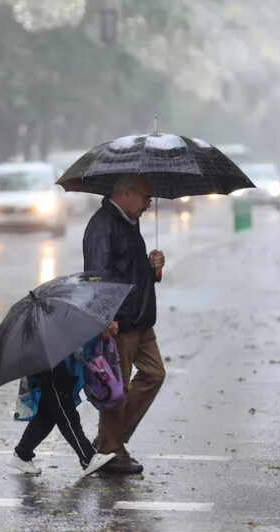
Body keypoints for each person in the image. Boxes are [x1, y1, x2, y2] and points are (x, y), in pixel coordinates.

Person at [82, 174, 166, 475]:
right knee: (117, 387)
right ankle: (110, 450)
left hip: (141, 318)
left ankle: (109, 439)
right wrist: (104, 318)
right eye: (146, 197)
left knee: (155, 374)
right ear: (126, 194)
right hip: (119, 321)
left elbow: (128, 269)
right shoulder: (102, 225)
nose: (148, 204)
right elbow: (97, 276)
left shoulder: (130, 221)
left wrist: (152, 267)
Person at [7, 326, 119, 477]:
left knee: (47, 415)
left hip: (56, 359)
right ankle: (88, 457)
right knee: (66, 412)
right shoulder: (45, 314)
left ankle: (22, 454)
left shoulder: (50, 312)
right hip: (50, 363)